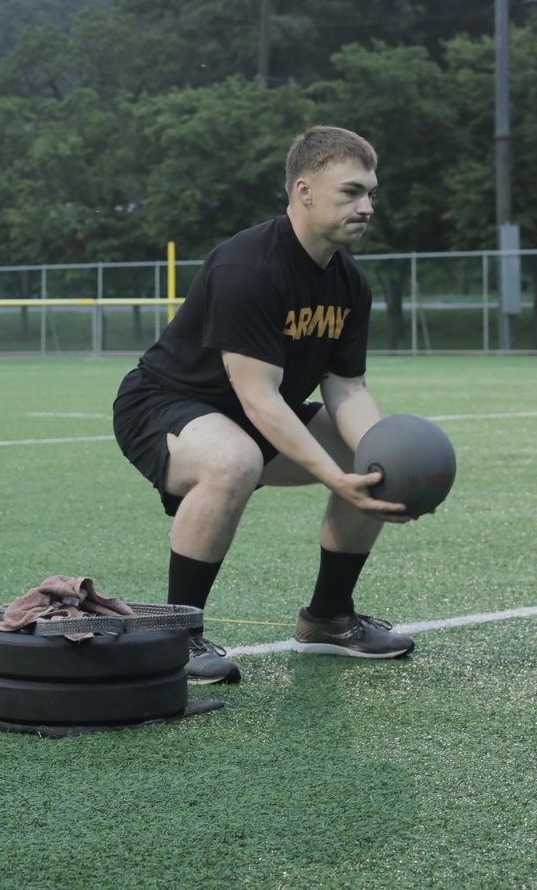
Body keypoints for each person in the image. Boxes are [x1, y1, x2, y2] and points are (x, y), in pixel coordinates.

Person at [113, 125, 416, 684]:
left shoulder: (349, 281)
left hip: (250, 412)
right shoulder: (247, 266)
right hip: (163, 404)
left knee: (368, 459)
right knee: (234, 461)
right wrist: (330, 475)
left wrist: (386, 463)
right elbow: (258, 399)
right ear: (304, 190)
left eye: (372, 192)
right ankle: (179, 636)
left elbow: (347, 388)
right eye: (351, 192)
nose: (367, 206)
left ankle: (327, 619)